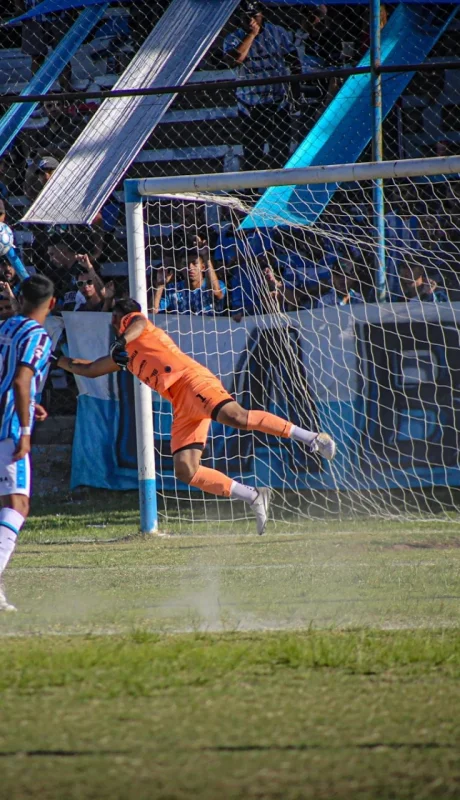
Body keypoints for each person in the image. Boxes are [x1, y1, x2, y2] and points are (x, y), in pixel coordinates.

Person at [58, 298, 336, 535]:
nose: (112, 322)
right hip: (180, 403)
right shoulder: (125, 355)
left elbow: (138, 322)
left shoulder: (137, 326)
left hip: (192, 382)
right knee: (185, 469)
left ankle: (313, 438)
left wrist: (120, 340)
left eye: (115, 318)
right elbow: (90, 369)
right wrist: (56, 359)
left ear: (121, 318)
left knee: (236, 417)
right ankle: (253, 496)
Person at [0, 275, 55, 612]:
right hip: (8, 428)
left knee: (5, 506)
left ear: (20, 298)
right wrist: (25, 430)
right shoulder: (38, 335)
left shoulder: (6, 326)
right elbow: (21, 380)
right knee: (18, 505)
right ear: (52, 303)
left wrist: (30, 402)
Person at [224, 1, 299, 171]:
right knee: (253, 154)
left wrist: (295, 93)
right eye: (246, 17)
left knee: (280, 151)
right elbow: (234, 60)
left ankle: (278, 183)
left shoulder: (278, 32)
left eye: (254, 16)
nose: (251, 20)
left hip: (277, 100)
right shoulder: (233, 38)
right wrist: (251, 35)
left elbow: (294, 61)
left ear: (262, 14)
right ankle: (252, 184)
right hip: (249, 103)